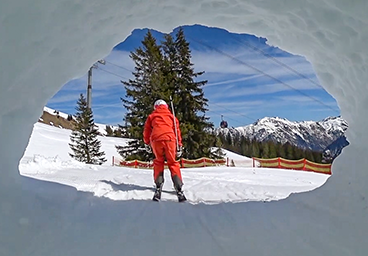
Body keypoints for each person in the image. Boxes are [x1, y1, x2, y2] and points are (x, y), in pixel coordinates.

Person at [143, 99, 185, 201]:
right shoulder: (172, 117)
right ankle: (178, 187)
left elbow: (147, 130)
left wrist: (146, 142)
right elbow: (177, 131)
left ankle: (158, 185)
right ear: (166, 106)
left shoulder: (152, 116)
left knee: (158, 161)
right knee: (173, 162)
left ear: (155, 107)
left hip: (156, 139)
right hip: (170, 139)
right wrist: (179, 145)